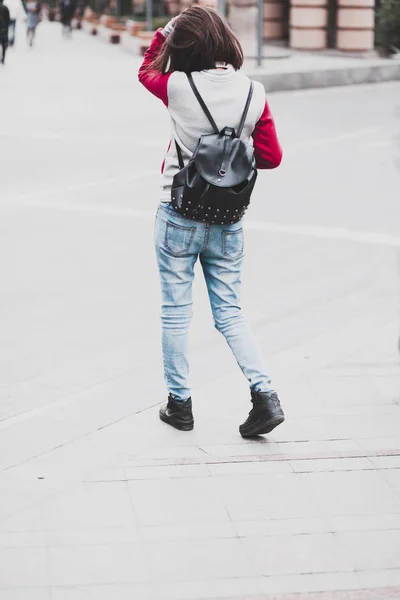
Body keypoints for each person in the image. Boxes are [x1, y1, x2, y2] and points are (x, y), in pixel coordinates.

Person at [138, 5, 285, 438]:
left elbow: (145, 71)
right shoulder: (253, 92)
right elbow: (272, 157)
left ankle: (179, 406)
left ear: (186, 46)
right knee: (230, 312)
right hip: (228, 217)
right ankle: (266, 395)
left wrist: (163, 34)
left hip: (179, 212)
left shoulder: (177, 86)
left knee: (176, 312)